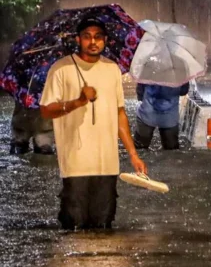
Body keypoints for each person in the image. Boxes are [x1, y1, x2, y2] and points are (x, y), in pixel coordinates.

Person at [39, 16, 147, 230]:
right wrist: (77, 102)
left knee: (104, 225)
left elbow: (119, 114)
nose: (93, 42)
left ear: (105, 40)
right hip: (75, 163)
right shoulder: (60, 69)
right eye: (87, 37)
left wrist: (133, 155)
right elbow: (46, 110)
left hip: (107, 162)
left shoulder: (112, 69)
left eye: (98, 37)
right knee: (74, 225)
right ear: (78, 40)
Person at [134, 82, 190, 150]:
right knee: (171, 151)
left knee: (140, 149)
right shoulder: (179, 73)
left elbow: (140, 92)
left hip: (147, 113)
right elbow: (183, 91)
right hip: (169, 117)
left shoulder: (148, 71)